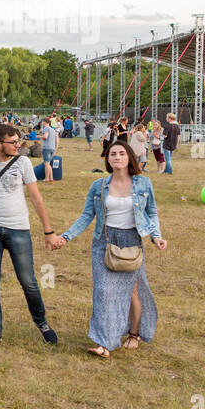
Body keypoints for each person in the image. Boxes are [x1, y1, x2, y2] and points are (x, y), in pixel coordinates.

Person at [53, 140, 166, 358]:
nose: (116, 157)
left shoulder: (143, 184)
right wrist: (66, 237)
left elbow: (152, 212)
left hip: (132, 241)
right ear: (108, 159)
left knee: (132, 292)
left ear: (129, 157)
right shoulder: (99, 185)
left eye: (121, 154)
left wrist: (156, 237)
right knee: (103, 291)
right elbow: (87, 215)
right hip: (103, 242)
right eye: (112, 154)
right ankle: (104, 343)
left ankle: (134, 334)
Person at [0, 123, 59, 347]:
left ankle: (42, 324)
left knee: (29, 282)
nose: (18, 145)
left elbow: (36, 198)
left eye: (18, 141)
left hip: (18, 229)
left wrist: (48, 231)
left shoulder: (23, 162)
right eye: (13, 142)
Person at [39, 118, 58, 185]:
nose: (42, 123)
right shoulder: (53, 130)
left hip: (46, 148)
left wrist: (38, 136)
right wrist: (56, 148)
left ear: (44, 122)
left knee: (46, 164)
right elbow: (56, 140)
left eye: (42, 122)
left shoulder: (46, 128)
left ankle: (46, 178)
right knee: (48, 163)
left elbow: (45, 137)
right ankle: (51, 178)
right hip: (52, 148)